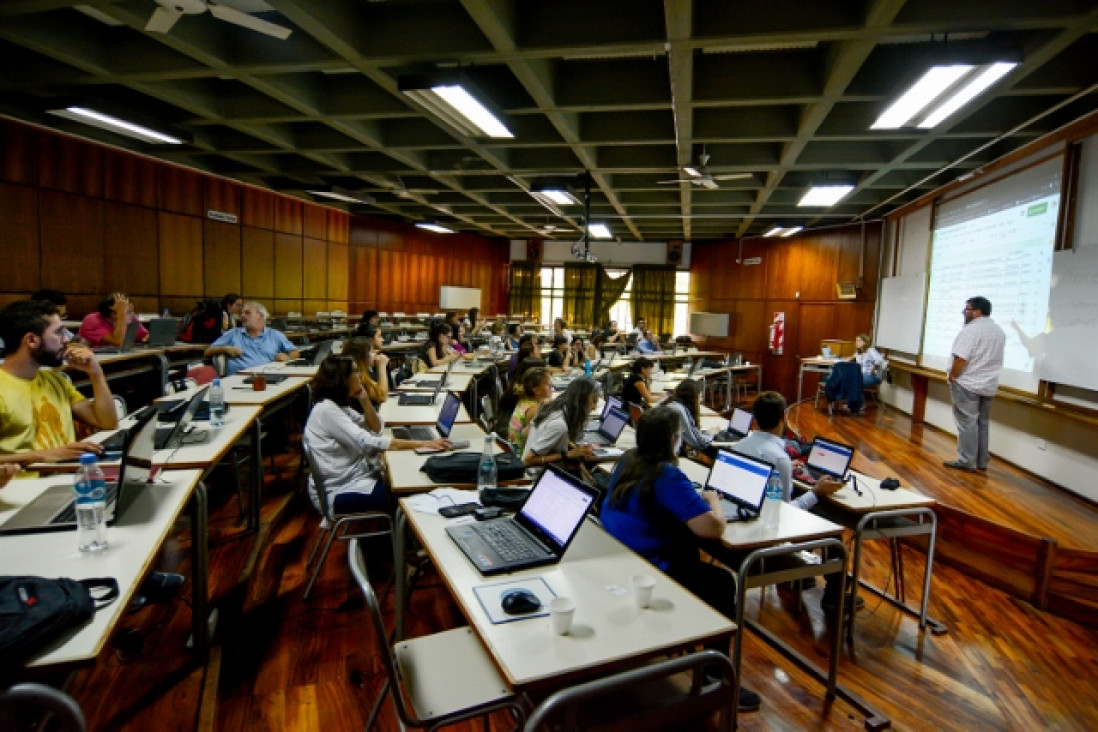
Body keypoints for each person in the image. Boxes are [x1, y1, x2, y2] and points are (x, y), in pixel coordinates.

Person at [599, 407, 761, 712]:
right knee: (723, 582)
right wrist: (712, 501)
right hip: (654, 570)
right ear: (673, 440)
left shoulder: (627, 461)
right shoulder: (666, 475)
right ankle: (716, 673)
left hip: (624, 558)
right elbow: (711, 529)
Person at [732, 391, 845, 609]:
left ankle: (801, 579)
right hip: (764, 530)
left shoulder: (740, 445)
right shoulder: (779, 457)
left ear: (755, 418)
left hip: (744, 518)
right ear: (784, 417)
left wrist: (785, 469)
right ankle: (834, 598)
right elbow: (784, 515)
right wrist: (817, 492)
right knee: (833, 534)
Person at [304, 356, 448, 515]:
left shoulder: (338, 406)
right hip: (339, 491)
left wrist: (364, 400)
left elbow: (376, 428)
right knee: (408, 494)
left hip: (352, 479)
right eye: (355, 372)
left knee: (405, 478)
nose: (359, 375)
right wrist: (420, 444)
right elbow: (368, 441)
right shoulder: (327, 410)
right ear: (343, 379)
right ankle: (398, 537)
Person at [0, 300, 118, 464]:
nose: (65, 341)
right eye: (59, 333)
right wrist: (41, 455)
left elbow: (107, 422)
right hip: (25, 486)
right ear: (32, 340)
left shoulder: (56, 381)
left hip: (67, 478)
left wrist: (96, 374)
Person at [945, 296, 1006, 472]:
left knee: (967, 423)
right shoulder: (998, 331)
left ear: (977, 312)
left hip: (967, 383)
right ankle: (981, 462)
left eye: (967, 309)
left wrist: (952, 375)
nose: (964, 312)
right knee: (983, 423)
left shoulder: (970, 331)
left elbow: (961, 357)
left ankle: (966, 461)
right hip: (988, 385)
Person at [204, 301, 300, 375]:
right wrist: (226, 349)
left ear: (260, 316)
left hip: (267, 378)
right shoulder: (233, 333)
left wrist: (288, 357)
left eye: (247, 313)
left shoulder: (275, 335)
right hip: (237, 380)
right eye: (242, 313)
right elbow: (207, 352)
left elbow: (295, 352)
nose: (242, 315)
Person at [522, 377, 598, 469]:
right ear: (582, 401)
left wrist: (577, 449)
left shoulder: (552, 407)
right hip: (540, 475)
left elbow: (526, 433)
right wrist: (567, 454)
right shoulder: (559, 425)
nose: (594, 408)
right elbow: (527, 460)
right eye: (594, 401)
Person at [660, 379, 716, 459]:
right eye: (700, 397)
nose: (701, 401)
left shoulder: (671, 403)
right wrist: (711, 433)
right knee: (715, 452)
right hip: (669, 456)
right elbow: (699, 443)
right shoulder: (678, 411)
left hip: (663, 453)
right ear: (693, 398)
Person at [77, 292, 149, 348]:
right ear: (113, 314)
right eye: (128, 312)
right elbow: (118, 342)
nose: (133, 315)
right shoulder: (92, 320)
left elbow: (144, 335)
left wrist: (148, 337)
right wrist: (121, 314)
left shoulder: (131, 318)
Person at [508, 367, 551, 457]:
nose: (552, 386)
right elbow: (537, 441)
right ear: (536, 390)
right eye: (548, 385)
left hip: (517, 452)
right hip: (523, 457)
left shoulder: (525, 400)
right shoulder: (533, 410)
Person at [341, 337, 389, 406]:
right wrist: (382, 366)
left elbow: (377, 389)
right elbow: (382, 397)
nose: (375, 354)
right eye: (372, 352)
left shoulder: (360, 371)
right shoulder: (357, 376)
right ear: (362, 356)